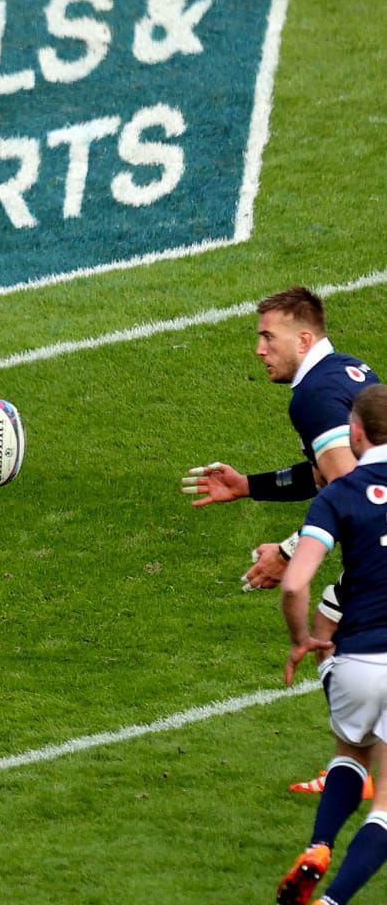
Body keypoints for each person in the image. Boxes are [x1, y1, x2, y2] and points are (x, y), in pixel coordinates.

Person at [182, 286, 379, 797]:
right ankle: (355, 764)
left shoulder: (312, 397)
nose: (259, 349)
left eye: (269, 337)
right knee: (332, 624)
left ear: (304, 337)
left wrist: (290, 551)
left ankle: (355, 768)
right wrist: (250, 485)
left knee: (334, 633)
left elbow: (346, 491)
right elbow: (331, 472)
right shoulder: (348, 371)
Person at [274, 384, 387, 905]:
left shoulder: (340, 493)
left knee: (350, 754)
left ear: (357, 435)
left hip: (357, 659)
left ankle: (319, 844)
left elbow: (296, 582)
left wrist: (302, 640)